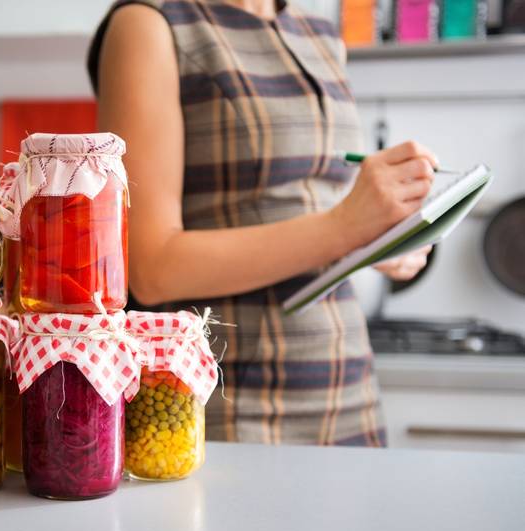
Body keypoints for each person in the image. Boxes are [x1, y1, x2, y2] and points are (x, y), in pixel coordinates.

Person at [88, 0, 436, 445]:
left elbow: (312, 212)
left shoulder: (321, 34)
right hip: (227, 401)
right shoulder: (150, 25)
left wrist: (380, 240)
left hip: (348, 388)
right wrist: (347, 226)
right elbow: (151, 269)